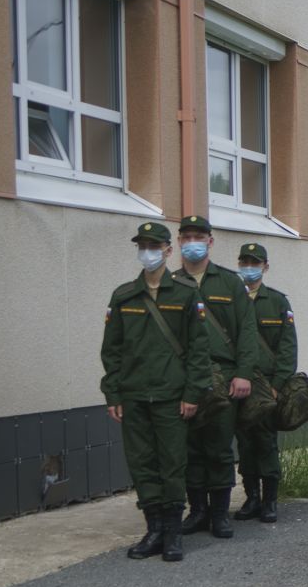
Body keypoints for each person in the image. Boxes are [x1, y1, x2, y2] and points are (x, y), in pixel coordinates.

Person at [102, 221, 213, 562]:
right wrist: (114, 394)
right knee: (142, 463)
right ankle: (154, 530)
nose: (147, 252)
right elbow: (112, 351)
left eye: (154, 246)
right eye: (142, 246)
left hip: (171, 396)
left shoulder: (185, 295)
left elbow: (198, 349)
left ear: (168, 250)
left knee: (172, 463)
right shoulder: (123, 296)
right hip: (134, 396)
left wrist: (192, 393)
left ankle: (173, 532)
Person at [173, 214, 264, 539]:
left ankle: (219, 513)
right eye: (187, 237)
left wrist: (243, 374)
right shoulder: (172, 283)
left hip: (224, 377)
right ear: (180, 241)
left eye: (200, 237)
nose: (193, 242)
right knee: (190, 447)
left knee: (219, 446)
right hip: (186, 380)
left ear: (210, 242)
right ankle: (197, 510)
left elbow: (247, 332)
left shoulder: (229, 283)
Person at [231, 242, 297, 524]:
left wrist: (277, 383)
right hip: (239, 382)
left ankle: (270, 500)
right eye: (245, 262)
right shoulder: (231, 299)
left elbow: (287, 347)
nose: (249, 267)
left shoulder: (278, 301)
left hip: (267, 384)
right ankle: (251, 498)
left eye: (255, 263)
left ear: (265, 267)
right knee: (245, 444)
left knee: (266, 443)